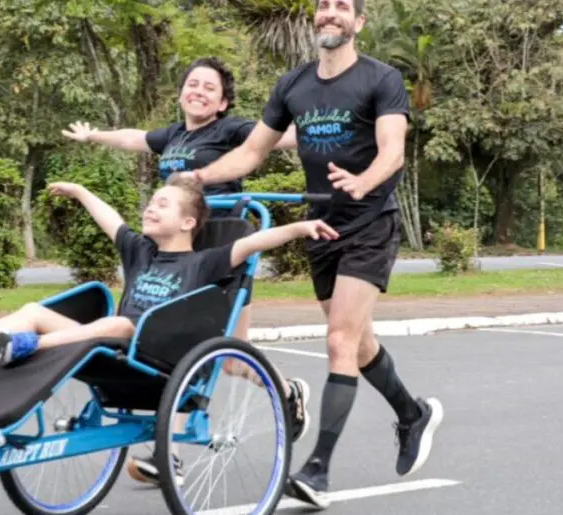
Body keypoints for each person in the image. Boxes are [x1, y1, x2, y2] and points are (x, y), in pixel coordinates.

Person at [180, 0, 444, 508]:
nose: (330, 12)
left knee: (340, 340)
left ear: (358, 22)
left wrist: (364, 182)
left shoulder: (381, 78)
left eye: (342, 6)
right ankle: (413, 415)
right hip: (322, 227)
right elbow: (252, 152)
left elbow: (392, 150)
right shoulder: (293, 85)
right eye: (324, 5)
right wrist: (198, 177)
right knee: (359, 344)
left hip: (370, 222)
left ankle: (317, 471)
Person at [0, 173, 326, 485]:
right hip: (112, 349)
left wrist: (300, 228)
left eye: (162, 204)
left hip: (157, 357)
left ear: (187, 222)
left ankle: (28, 344)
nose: (150, 208)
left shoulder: (205, 262)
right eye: (151, 202)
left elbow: (253, 244)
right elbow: (108, 218)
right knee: (34, 308)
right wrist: (80, 191)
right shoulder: (140, 252)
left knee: (121, 322)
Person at [60, 56, 298, 344]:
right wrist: (93, 136)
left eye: (209, 88)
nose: (198, 91)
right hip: (175, 239)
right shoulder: (175, 134)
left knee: (233, 346)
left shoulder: (230, 129)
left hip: (217, 237)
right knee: (167, 328)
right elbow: (132, 139)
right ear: (181, 93)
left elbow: (274, 137)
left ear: (222, 103)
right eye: (192, 84)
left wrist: (320, 128)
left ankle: (263, 375)